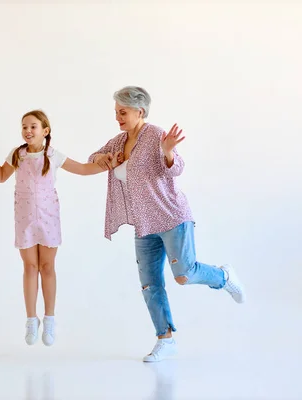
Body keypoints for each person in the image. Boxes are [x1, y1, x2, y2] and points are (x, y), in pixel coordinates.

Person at [88, 86, 245, 362]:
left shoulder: (156, 135)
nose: (117, 118)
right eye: (115, 112)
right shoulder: (118, 141)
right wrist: (104, 158)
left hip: (172, 216)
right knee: (150, 284)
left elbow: (176, 168)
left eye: (122, 112)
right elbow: (93, 158)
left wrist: (169, 151)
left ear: (140, 111)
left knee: (184, 274)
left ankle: (224, 277)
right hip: (144, 224)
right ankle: (165, 339)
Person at [0, 110, 121, 346]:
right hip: (24, 217)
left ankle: (50, 318)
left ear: (45, 131)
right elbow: (1, 176)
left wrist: (108, 165)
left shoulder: (53, 155)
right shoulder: (18, 154)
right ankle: (30, 319)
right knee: (29, 266)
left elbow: (83, 169)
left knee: (47, 266)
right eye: (24, 126)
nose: (27, 131)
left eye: (33, 126)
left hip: (48, 218)